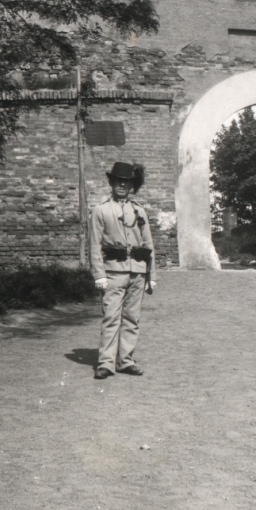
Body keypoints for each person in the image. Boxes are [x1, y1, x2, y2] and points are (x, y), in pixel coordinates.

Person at [90, 161, 156, 379]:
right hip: (113, 273)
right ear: (111, 182)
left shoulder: (139, 211)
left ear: (132, 185)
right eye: (118, 181)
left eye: (126, 182)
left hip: (137, 273)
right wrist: (99, 275)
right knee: (111, 317)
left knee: (132, 318)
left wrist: (151, 276)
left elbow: (148, 246)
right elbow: (95, 245)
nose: (122, 185)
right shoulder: (101, 211)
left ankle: (125, 360)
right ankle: (106, 363)